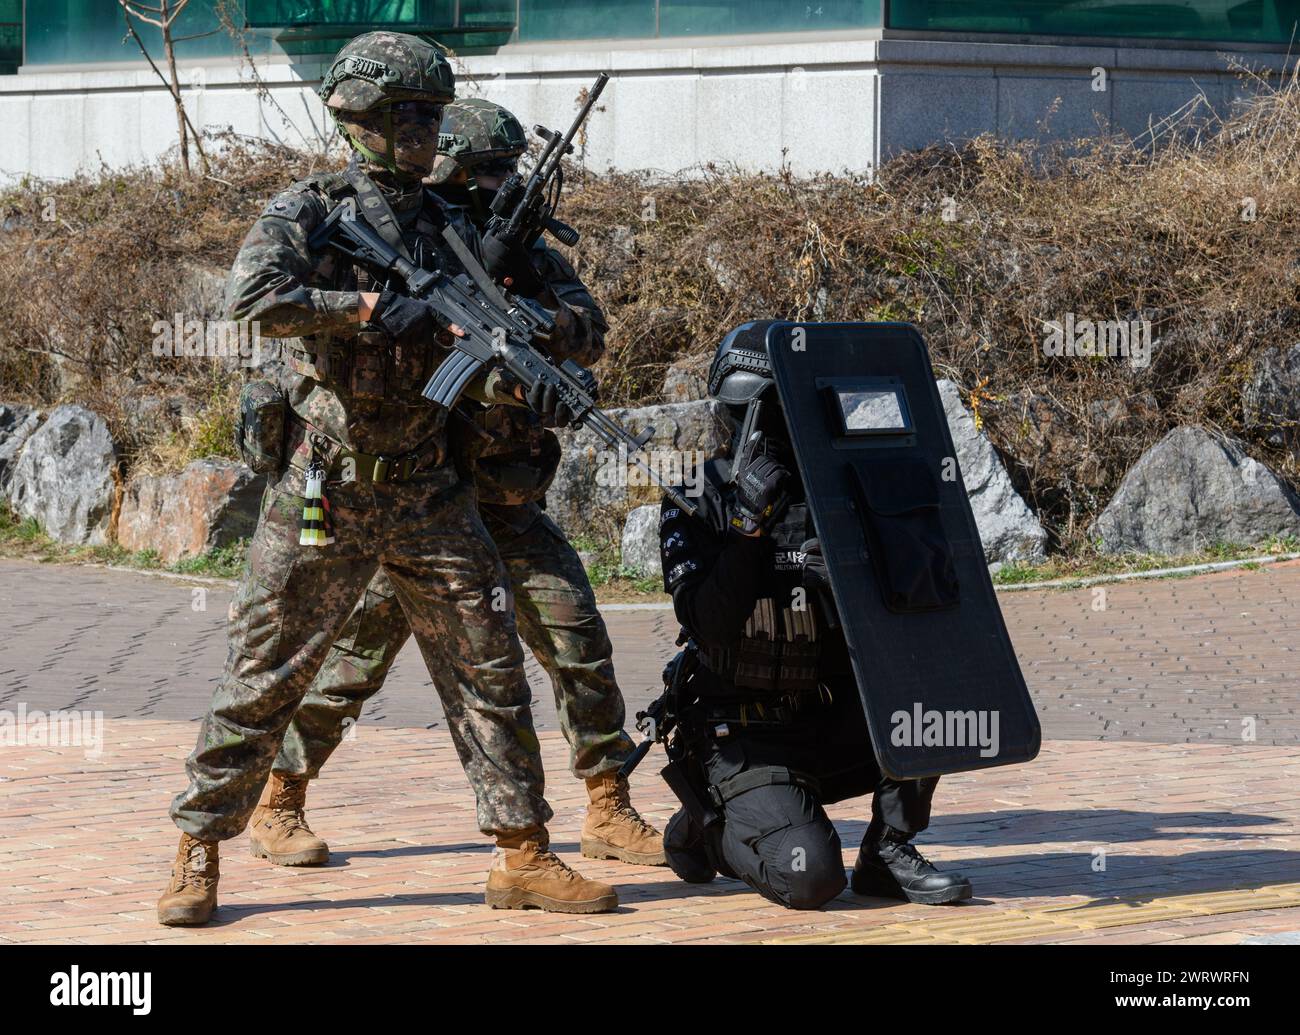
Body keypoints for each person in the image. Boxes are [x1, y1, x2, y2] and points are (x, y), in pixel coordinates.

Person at [158, 32, 618, 926]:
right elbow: (250, 300)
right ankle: (199, 847)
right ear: (359, 118)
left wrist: (522, 340)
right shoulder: (314, 207)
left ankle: (523, 853)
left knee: (489, 666)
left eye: (431, 117)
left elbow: (545, 326)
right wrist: (366, 307)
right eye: (407, 116)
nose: (421, 133)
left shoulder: (453, 225)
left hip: (430, 491)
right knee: (265, 670)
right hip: (324, 489)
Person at [253, 97, 663, 874]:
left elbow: (591, 329)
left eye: (506, 173)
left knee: (578, 639)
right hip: (420, 505)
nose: (496, 187)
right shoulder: (411, 245)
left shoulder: (530, 256)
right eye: (481, 173)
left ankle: (608, 803)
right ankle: (280, 797)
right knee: (351, 663)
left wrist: (535, 333)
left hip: (504, 501)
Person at [656, 325, 973, 910]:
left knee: (936, 708)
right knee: (810, 877)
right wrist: (749, 534)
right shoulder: (696, 496)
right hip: (749, 732)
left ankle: (889, 851)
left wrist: (867, 567)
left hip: (833, 719)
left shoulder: (844, 494)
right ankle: (709, 828)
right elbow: (709, 624)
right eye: (769, 415)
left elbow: (928, 613)